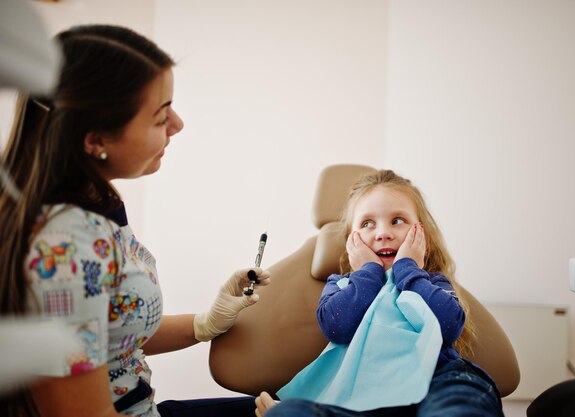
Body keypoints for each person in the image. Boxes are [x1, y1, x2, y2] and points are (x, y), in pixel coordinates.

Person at [0, 24, 270, 417]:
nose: (177, 125)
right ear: (96, 140)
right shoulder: (63, 247)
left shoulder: (96, 205)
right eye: (161, 117)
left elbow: (106, 334)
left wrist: (204, 324)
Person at [254, 169, 504, 417]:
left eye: (397, 221)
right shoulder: (341, 285)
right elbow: (337, 327)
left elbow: (448, 326)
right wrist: (368, 271)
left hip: (439, 379)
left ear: (421, 235)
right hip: (364, 394)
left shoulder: (432, 282)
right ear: (351, 241)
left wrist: (408, 269)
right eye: (367, 224)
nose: (383, 233)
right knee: (288, 412)